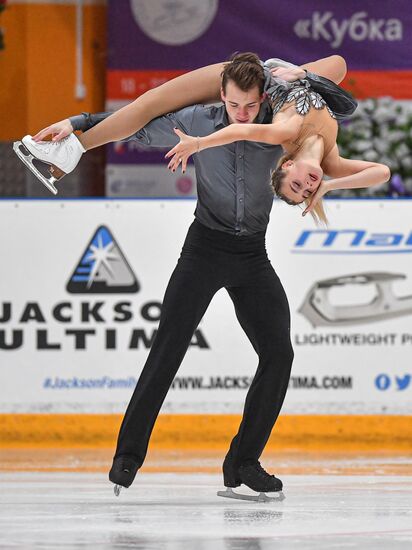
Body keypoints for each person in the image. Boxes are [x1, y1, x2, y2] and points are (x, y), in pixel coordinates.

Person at [14, 53, 389, 500]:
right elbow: (140, 118)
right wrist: (77, 124)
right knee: (168, 348)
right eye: (234, 105)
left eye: (250, 106)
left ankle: (243, 463)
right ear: (224, 96)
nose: (242, 113)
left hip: (251, 255)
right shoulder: (202, 118)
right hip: (204, 248)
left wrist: (321, 180)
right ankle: (128, 456)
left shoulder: (282, 134)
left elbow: (337, 138)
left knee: (279, 354)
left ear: (283, 165)